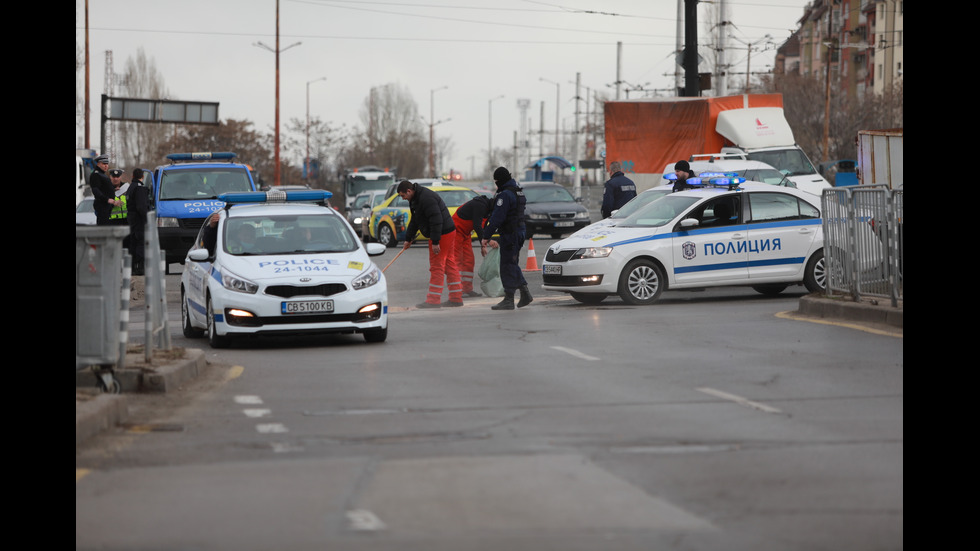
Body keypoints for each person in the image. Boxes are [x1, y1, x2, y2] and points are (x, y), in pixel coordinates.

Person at [398, 180, 463, 308]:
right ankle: (456, 298)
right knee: (449, 264)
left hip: (443, 233)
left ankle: (433, 300)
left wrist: (435, 241)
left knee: (437, 266)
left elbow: (436, 220)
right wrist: (408, 238)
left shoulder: (426, 198)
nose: (403, 198)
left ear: (409, 191)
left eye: (403, 195)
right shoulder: (415, 199)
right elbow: (415, 220)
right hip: (447, 232)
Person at [481, 167, 532, 310]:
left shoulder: (505, 195)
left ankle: (509, 299)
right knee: (512, 263)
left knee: (507, 265)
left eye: (496, 181)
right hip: (520, 232)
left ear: (499, 180)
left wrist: (486, 236)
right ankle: (524, 293)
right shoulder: (518, 191)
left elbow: (497, 218)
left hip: (511, 234)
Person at [451, 194, 493, 298]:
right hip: (455, 231)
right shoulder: (480, 205)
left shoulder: (489, 211)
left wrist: (484, 245)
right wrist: (485, 243)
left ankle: (467, 290)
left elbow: (483, 229)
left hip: (465, 234)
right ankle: (456, 290)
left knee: (469, 260)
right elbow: (477, 226)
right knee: (457, 260)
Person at [127, 168, 150, 275]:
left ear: (133, 176)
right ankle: (140, 267)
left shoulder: (131, 187)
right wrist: (147, 218)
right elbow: (141, 207)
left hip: (131, 219)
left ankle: (132, 267)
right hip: (139, 219)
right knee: (141, 242)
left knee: (133, 242)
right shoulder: (139, 188)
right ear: (142, 177)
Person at [90, 154, 115, 225]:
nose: (106, 166)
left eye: (107, 164)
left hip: (106, 206)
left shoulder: (102, 174)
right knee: (103, 227)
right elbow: (95, 190)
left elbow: (104, 188)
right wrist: (107, 199)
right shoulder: (96, 174)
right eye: (104, 164)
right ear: (98, 164)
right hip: (102, 206)